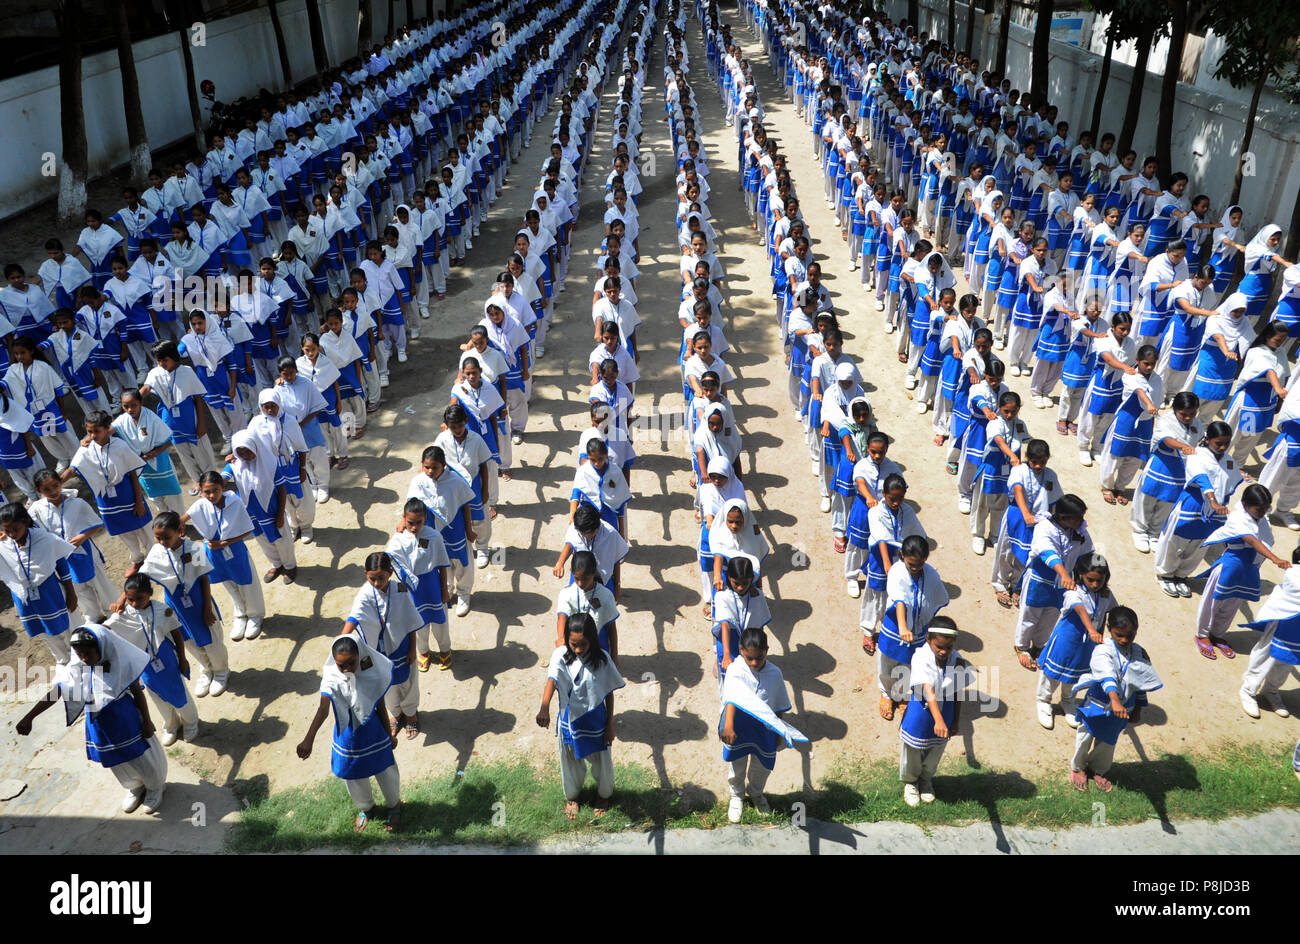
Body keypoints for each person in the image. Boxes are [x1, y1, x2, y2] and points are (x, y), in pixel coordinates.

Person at [16, 623, 167, 814]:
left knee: (141, 757)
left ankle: (155, 786)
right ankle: (134, 786)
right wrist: (30, 717)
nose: (84, 658)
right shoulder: (77, 669)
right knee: (116, 761)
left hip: (125, 719)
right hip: (99, 724)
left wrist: (147, 720)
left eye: (88, 653)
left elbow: (138, 692)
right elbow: (57, 692)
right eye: (79, 654)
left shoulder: (120, 663)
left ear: (101, 647)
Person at [296, 634, 402, 832]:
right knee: (352, 774)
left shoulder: (372, 672)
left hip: (374, 732)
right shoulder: (332, 678)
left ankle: (394, 806)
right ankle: (366, 808)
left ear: (359, 655)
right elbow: (323, 709)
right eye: (340, 665)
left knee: (385, 770)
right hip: (348, 736)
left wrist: (389, 735)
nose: (346, 669)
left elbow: (379, 704)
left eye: (350, 663)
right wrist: (308, 739)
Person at [536, 614, 625, 820]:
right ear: (567, 639)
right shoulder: (560, 655)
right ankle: (572, 797)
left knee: (602, 762)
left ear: (592, 640)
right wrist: (544, 707)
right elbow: (552, 680)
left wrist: (610, 725)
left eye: (582, 644)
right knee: (569, 760)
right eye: (573, 644)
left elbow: (608, 692)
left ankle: (603, 796)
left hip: (596, 721)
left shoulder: (602, 659)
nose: (577, 649)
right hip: (569, 720)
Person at [719, 626, 805, 823]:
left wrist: (779, 731)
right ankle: (737, 795)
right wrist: (729, 726)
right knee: (737, 763)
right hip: (739, 727)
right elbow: (731, 700)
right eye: (750, 658)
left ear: (767, 650)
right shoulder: (735, 670)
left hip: (764, 729)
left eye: (759, 657)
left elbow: (779, 705)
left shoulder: (775, 673)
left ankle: (756, 792)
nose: (755, 662)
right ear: (741, 650)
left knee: (762, 766)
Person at [1070, 607, 1161, 792]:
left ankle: (1097, 769)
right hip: (1098, 704)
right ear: (1109, 629)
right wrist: (1114, 700)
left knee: (1108, 742)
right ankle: (1078, 767)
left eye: (1130, 635)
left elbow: (1140, 682)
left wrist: (1137, 709)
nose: (1125, 640)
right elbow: (1107, 676)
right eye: (1119, 635)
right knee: (1085, 736)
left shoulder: (1139, 652)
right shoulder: (1103, 650)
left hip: (1123, 708)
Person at [138, 511, 229, 697]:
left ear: (179, 531)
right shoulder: (157, 551)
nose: (162, 542)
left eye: (166, 537)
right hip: (175, 605)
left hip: (197, 601)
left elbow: (203, 579)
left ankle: (221, 670)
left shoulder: (194, 549)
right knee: (188, 641)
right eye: (158, 537)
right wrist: (123, 599)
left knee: (210, 638)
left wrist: (207, 608)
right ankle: (207, 669)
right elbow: (142, 575)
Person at [1194, 484, 1290, 660]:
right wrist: (1275, 559)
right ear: (1245, 504)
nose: (1263, 512)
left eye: (1266, 508)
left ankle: (1217, 634)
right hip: (1229, 568)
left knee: (1232, 606)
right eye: (1259, 508)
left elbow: (1264, 539)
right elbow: (1253, 541)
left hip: (1248, 571)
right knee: (1213, 603)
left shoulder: (1261, 519)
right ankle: (1202, 635)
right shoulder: (1237, 518)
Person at [105, 573, 200, 745]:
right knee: (156, 695)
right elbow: (105, 629)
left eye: (139, 598)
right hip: (144, 663)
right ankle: (171, 724)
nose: (135, 604)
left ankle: (190, 721)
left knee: (178, 692)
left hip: (165, 658)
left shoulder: (162, 610)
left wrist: (182, 658)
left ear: (149, 593)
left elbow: (176, 633)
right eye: (130, 599)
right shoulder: (125, 614)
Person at [1154, 422, 1240, 597]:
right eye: (1218, 443)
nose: (1223, 447)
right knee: (1176, 541)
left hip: (1214, 513)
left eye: (1226, 443)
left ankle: (1181, 575)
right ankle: (1165, 574)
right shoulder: (1197, 454)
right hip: (1192, 505)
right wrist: (1213, 501)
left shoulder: (1229, 461)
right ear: (1207, 440)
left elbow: (1230, 484)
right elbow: (1202, 479)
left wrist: (1221, 507)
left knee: (1200, 545)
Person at [343, 551, 422, 740]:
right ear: (365, 574)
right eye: (372, 578)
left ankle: (411, 714)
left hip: (402, 646)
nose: (377, 583)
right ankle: (396, 714)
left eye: (381, 578)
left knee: (408, 682)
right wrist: (342, 640)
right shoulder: (364, 594)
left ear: (390, 574)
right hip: (378, 652)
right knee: (386, 686)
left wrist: (412, 648)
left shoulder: (401, 590)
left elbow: (410, 621)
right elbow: (354, 618)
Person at [63, 410, 153, 574]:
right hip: (106, 500)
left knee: (143, 528)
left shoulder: (119, 446)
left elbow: (133, 472)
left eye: (96, 431)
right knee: (123, 531)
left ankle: (155, 557)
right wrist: (57, 482)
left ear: (106, 428)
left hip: (128, 494)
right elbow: (73, 468)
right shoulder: (85, 449)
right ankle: (137, 558)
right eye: (89, 431)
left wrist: (139, 501)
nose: (92, 435)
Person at [182, 470, 265, 641]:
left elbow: (248, 529)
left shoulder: (234, 502)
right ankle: (241, 614)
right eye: (206, 491)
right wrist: (177, 524)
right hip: (214, 553)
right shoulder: (201, 504)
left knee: (246, 582)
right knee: (229, 584)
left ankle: (255, 615)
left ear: (223, 487)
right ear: (200, 490)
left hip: (234, 550)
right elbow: (184, 518)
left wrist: (225, 543)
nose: (211, 495)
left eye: (215, 490)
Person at [1037, 553, 1114, 730]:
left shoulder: (1105, 595)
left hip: (1087, 645)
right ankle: (1043, 700)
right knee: (1053, 673)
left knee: (1076, 673)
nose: (1095, 585)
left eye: (1099, 581)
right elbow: (1080, 610)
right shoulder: (1074, 592)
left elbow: (1111, 611)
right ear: (1080, 575)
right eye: (1090, 580)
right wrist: (1092, 630)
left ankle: (1068, 700)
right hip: (1067, 641)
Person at [1016, 494, 1093, 668]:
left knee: (1050, 617)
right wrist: (1065, 574)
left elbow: (1087, 555)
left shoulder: (1080, 531)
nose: (1081, 521)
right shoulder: (1044, 527)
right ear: (1063, 517)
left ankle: (1038, 645)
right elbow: (1047, 552)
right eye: (1078, 517)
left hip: (1061, 585)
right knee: (1030, 615)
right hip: (1040, 580)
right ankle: (1021, 646)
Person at [899, 618, 970, 806]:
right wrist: (938, 720)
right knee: (913, 749)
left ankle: (926, 779)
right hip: (921, 713)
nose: (943, 652)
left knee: (936, 749)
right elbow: (927, 689)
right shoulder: (920, 657)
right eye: (939, 646)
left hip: (945, 711)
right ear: (929, 639)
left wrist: (954, 720)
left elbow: (957, 691)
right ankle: (911, 782)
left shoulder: (957, 660)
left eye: (948, 647)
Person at [878, 534, 949, 721]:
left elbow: (935, 598)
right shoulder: (897, 571)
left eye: (920, 563)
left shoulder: (931, 574)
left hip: (918, 629)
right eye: (911, 564)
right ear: (902, 556)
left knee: (909, 665)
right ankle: (886, 694)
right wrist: (902, 626)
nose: (915, 568)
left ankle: (901, 695)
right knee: (889, 663)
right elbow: (900, 600)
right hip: (895, 629)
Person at [0, 501, 80, 664]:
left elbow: (61, 563)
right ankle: (62, 659)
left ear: (25, 522)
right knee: (44, 630)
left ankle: (80, 657)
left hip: (50, 591)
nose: (12, 534)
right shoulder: (4, 544)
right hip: (24, 597)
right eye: (6, 530)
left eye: (16, 529)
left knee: (69, 627)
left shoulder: (45, 539)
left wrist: (71, 593)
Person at [407, 445, 475, 617]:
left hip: (455, 530)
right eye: (426, 467)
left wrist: (469, 529)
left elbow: (465, 505)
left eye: (434, 467)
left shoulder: (456, 481)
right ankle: (448, 589)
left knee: (461, 562)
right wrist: (403, 523)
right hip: (430, 531)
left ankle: (464, 593)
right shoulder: (418, 482)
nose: (430, 471)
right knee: (440, 563)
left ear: (443, 465)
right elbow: (411, 506)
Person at [386, 498, 452, 671]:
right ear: (403, 518)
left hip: (432, 586)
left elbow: (442, 565)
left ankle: (445, 649)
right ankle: (423, 651)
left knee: (440, 623)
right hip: (412, 590)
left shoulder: (434, 536)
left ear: (425, 519)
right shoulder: (398, 540)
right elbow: (390, 562)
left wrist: (444, 590)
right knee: (418, 624)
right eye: (410, 523)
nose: (414, 527)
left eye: (419, 522)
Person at [1238, 550, 1300, 718]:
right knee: (1266, 656)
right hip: (1283, 623)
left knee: (1287, 660)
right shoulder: (1294, 573)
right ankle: (1248, 690)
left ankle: (1271, 690)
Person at [557, 549, 619, 666]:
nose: (580, 583)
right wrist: (561, 638)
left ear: (594, 573)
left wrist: (614, 656)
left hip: (599, 647)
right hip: (574, 647)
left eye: (585, 578)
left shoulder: (605, 596)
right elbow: (561, 617)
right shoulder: (566, 594)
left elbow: (611, 628)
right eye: (576, 578)